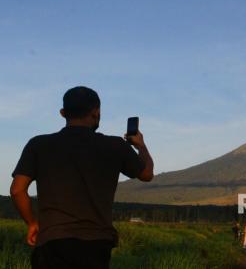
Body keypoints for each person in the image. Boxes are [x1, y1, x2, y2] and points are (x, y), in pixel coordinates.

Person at [10, 86, 154, 269]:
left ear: (63, 113)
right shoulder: (115, 146)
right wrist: (140, 146)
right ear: (96, 112)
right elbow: (147, 174)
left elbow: (17, 190)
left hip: (51, 242)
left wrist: (32, 223)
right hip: (95, 245)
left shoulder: (38, 144)